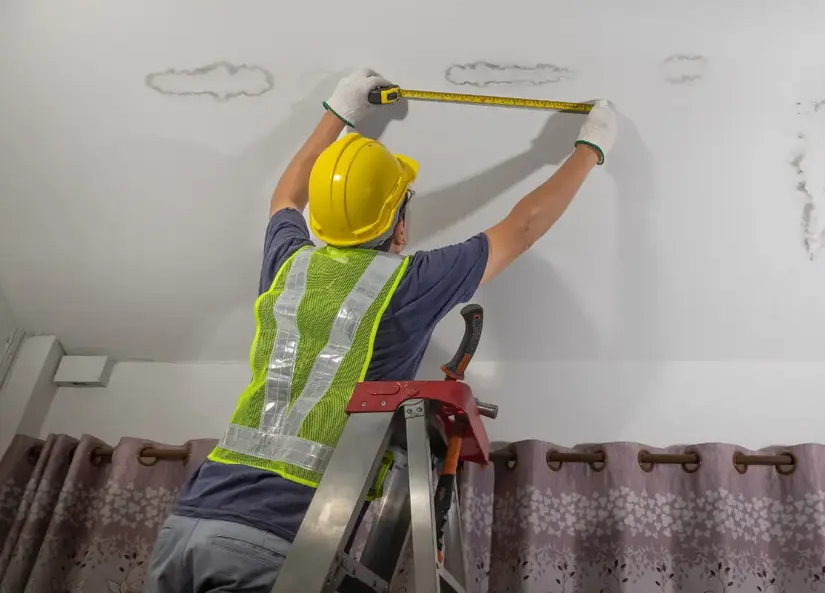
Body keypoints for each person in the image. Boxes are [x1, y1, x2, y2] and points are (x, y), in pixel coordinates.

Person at [145, 68, 617, 592]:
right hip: (272, 538)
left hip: (187, 524)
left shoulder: (289, 263)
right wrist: (591, 148)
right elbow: (522, 227)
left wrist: (338, 113)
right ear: (399, 224)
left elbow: (285, 196)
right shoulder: (408, 283)